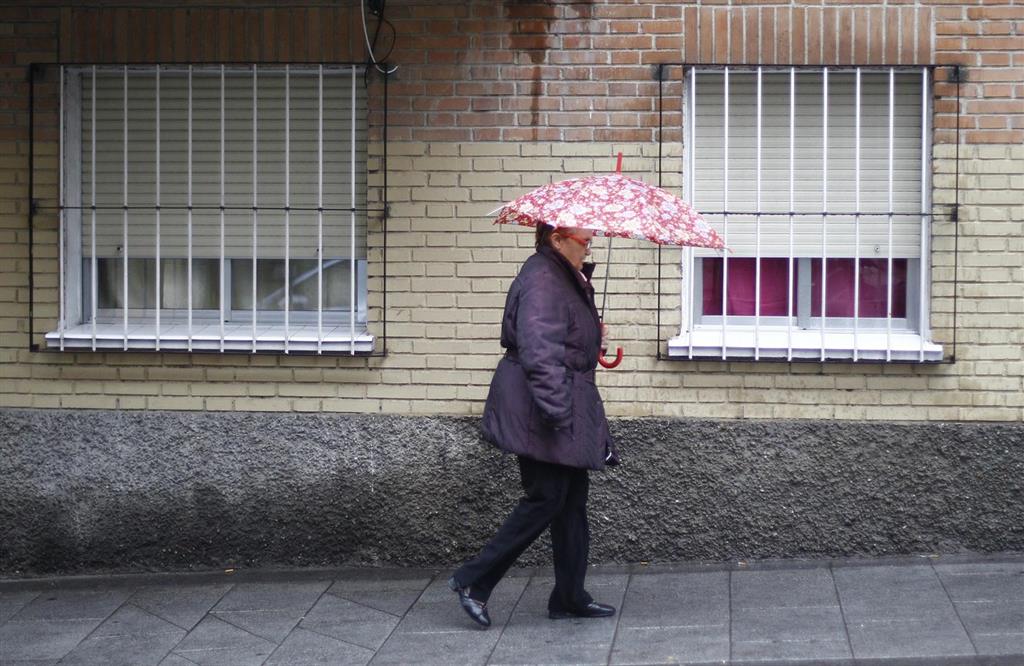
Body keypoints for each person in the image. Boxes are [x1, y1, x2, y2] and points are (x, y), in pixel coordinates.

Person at [448, 222, 620, 628]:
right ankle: (473, 581)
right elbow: (540, 355)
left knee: (571, 502)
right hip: (543, 409)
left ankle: (569, 597)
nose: (589, 247)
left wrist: (592, 337)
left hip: (558, 405)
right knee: (546, 498)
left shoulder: (561, 277)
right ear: (556, 240)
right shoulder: (544, 279)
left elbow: (561, 340)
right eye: (583, 241)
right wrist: (559, 415)